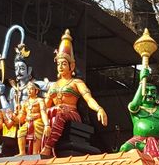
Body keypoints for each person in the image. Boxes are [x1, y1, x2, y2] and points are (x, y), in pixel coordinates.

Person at [40, 29, 108, 157]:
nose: (60, 67)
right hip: (55, 112)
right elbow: (46, 104)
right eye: (58, 64)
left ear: (71, 66)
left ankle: (48, 146)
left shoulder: (76, 82)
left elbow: (88, 99)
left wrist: (99, 109)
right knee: (44, 114)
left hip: (71, 113)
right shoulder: (54, 85)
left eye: (64, 63)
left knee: (60, 113)